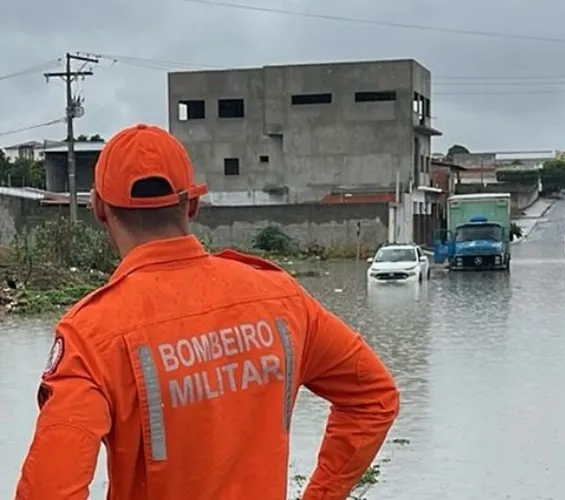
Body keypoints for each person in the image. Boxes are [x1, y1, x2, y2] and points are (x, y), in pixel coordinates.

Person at [15, 124, 400, 500]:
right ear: (193, 204)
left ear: (98, 208)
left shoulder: (92, 333)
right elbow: (374, 398)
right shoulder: (280, 298)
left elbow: (49, 489)